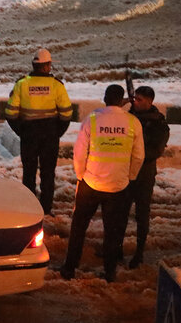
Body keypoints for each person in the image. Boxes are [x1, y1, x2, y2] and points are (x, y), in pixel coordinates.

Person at [60, 84, 144, 282]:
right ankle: (109, 271)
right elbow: (138, 156)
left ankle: (70, 267)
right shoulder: (132, 123)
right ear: (121, 101)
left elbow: (80, 152)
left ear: (105, 99)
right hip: (118, 185)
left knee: (79, 227)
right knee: (112, 231)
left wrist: (81, 175)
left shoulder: (92, 120)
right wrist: (130, 177)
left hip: (91, 183)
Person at [4, 47, 74, 214]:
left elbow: (10, 113)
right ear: (46, 66)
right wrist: (58, 132)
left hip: (29, 134)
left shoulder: (22, 84)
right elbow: (66, 113)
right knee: (48, 173)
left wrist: (21, 131)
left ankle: (29, 208)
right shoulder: (56, 85)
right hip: (50, 134)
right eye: (49, 65)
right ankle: (46, 208)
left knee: (28, 172)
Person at [125, 85, 170, 268]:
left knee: (142, 215)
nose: (135, 102)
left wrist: (135, 154)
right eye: (134, 98)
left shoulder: (158, 124)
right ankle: (116, 249)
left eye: (140, 100)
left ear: (150, 102)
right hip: (126, 173)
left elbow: (156, 150)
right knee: (120, 212)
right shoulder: (129, 117)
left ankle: (139, 252)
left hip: (144, 174)